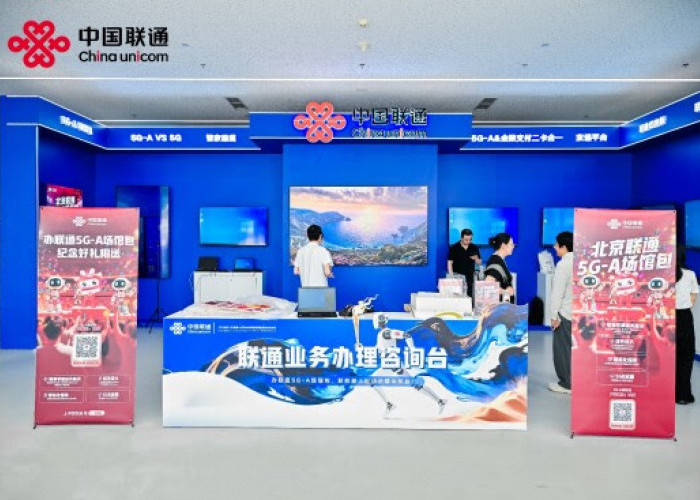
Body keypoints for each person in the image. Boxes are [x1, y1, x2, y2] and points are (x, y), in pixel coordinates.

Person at [548, 231, 574, 395]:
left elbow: (557, 293)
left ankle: (566, 384)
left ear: (564, 247)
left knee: (562, 350)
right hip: (579, 312)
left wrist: (553, 316)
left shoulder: (563, 264)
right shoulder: (580, 262)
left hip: (565, 313)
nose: (554, 247)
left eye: (557, 245)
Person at [675, 245, 698, 405]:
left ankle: (667, 392)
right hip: (684, 317)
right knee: (686, 356)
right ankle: (683, 395)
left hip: (666, 317)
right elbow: (693, 298)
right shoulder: (690, 274)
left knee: (670, 356)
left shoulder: (664, 274)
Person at [447, 228, 482, 297]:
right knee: (457, 295)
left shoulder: (474, 247)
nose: (468, 241)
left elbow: (479, 262)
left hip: (470, 275)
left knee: (469, 294)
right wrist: (451, 276)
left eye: (470, 239)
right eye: (466, 239)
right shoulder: (454, 247)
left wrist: (476, 258)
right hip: (457, 275)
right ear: (461, 238)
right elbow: (450, 262)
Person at [484, 232, 515, 303]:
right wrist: (506, 291)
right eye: (511, 244)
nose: (513, 246)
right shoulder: (495, 261)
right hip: (499, 307)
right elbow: (489, 285)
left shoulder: (499, 260)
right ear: (503, 245)